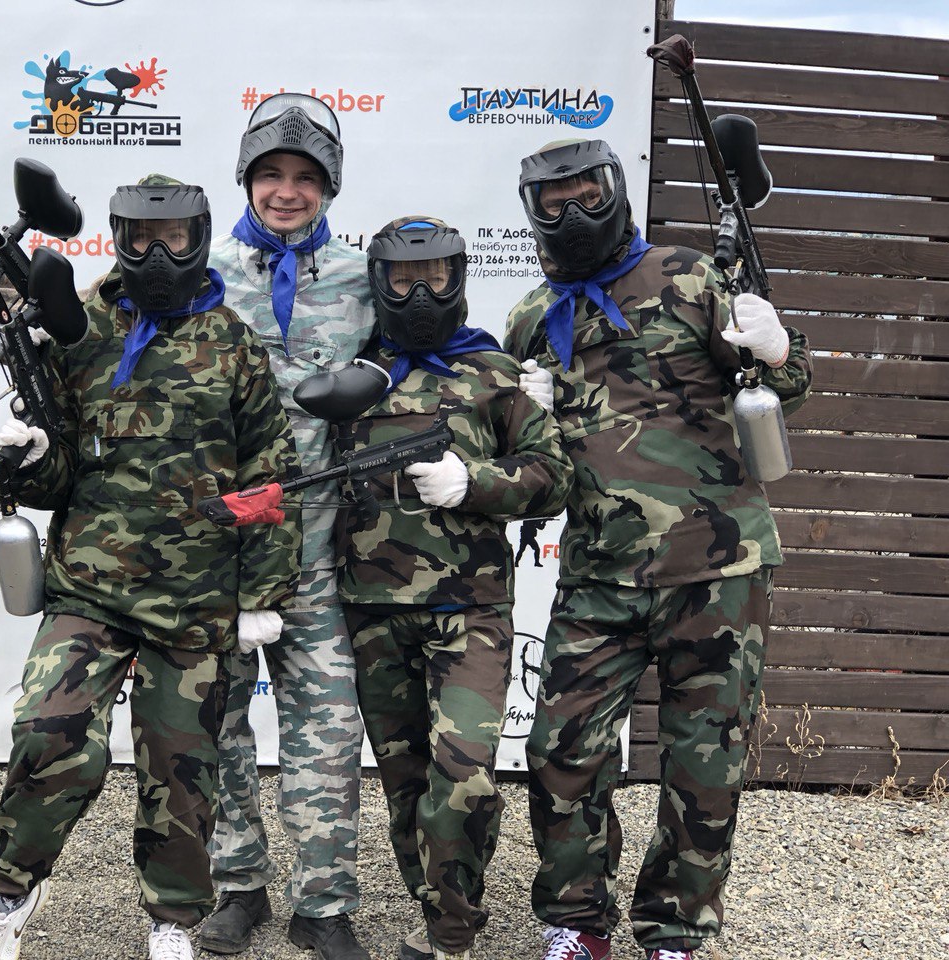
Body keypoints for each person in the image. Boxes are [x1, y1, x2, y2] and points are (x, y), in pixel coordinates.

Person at [0, 175, 301, 960]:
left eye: (174, 239)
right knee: (47, 732)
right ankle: (10, 892)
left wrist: (263, 592)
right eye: (142, 239)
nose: (157, 255)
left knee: (182, 771)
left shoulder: (230, 342)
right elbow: (56, 480)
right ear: (119, 238)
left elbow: (270, 471)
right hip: (90, 588)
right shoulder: (81, 332)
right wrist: (27, 457)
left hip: (197, 599)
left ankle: (172, 922)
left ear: (198, 238)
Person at [503, 138, 812, 960]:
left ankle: (675, 930)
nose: (573, 212)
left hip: (718, 567)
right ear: (532, 211)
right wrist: (524, 421)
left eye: (586, 194)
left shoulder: (689, 276)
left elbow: (778, 392)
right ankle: (576, 922)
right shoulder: (532, 318)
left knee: (706, 760)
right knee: (561, 749)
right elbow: (537, 475)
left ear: (615, 190)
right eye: (554, 201)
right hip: (598, 573)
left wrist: (778, 348)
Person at [336, 217, 574, 960]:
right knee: (406, 782)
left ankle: (451, 933)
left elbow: (553, 475)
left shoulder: (493, 374)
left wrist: (474, 483)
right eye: (403, 280)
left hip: (470, 609)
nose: (419, 295)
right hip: (373, 610)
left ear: (458, 278)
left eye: (434, 278)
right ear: (379, 282)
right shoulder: (351, 375)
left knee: (463, 774)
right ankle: (440, 905)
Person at [199, 92, 374, 960]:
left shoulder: (361, 278)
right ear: (246, 178)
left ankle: (324, 904)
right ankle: (238, 888)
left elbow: (425, 353)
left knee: (329, 733)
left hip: (313, 556)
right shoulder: (200, 272)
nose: (287, 191)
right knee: (218, 727)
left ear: (329, 186)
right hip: (219, 553)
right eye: (270, 173)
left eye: (306, 177)